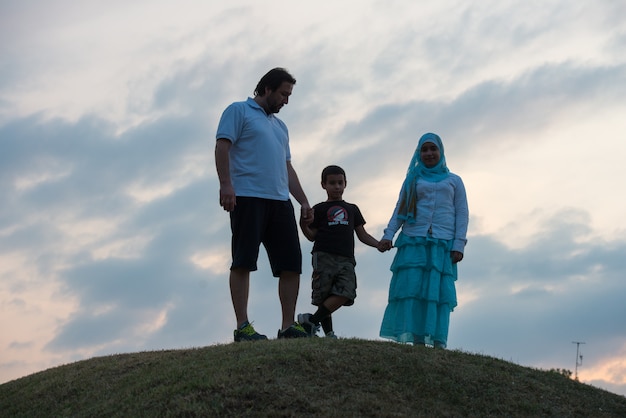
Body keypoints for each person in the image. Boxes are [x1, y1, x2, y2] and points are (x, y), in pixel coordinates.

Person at [214, 67, 314, 341]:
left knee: (292, 264)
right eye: (283, 93)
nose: (286, 100)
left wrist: (303, 200)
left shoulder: (281, 127)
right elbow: (222, 146)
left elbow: (287, 166)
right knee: (243, 261)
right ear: (267, 88)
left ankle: (287, 327)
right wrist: (226, 184)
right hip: (247, 197)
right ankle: (243, 327)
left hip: (280, 202)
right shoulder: (238, 111)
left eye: (290, 95)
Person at [377, 133, 468, 349]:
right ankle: (417, 340)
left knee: (437, 293)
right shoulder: (413, 180)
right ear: (418, 153)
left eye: (432, 149)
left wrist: (459, 244)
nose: (428, 153)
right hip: (413, 240)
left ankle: (438, 342)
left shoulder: (454, 181)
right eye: (424, 150)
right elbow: (400, 210)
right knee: (412, 290)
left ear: (441, 152)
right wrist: (388, 235)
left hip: (442, 243)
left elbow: (462, 213)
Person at [298, 165, 380, 338]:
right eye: (332, 183)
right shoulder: (318, 209)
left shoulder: (352, 209)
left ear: (345, 184)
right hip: (323, 256)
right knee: (324, 295)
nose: (336, 187)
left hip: (346, 259)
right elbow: (311, 236)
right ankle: (329, 334)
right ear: (323, 185)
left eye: (340, 183)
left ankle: (311, 321)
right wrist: (303, 224)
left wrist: (378, 244)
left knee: (346, 292)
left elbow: (362, 234)